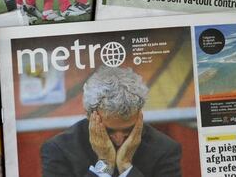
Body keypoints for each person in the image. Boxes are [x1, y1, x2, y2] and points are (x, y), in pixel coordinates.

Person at [41, 67, 181, 176]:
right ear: (90, 115)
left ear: (139, 116)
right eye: (109, 131)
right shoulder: (58, 150)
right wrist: (104, 165)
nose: (119, 140)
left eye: (128, 130)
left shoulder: (165, 150)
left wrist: (126, 167)